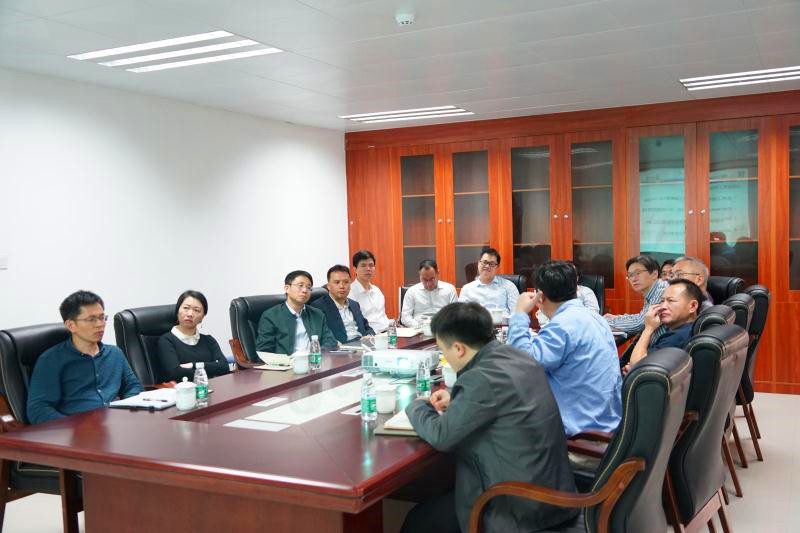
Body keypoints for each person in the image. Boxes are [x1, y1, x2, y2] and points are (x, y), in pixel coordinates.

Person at [402, 302, 578, 533]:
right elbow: (504, 399)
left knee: (419, 521)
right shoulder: (517, 356)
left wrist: (417, 406)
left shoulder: (480, 379)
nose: (445, 357)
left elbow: (442, 435)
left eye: (443, 351)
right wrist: (458, 399)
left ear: (459, 349)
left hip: (517, 509)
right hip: (553, 494)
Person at [508, 261, 622, 436]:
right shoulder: (596, 318)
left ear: (540, 296)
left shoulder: (562, 325)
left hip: (579, 433)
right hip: (606, 422)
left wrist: (520, 314)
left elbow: (523, 364)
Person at [27, 290, 143, 424]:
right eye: (91, 319)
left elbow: (133, 387)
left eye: (102, 317)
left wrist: (125, 411)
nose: (100, 324)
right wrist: (74, 428)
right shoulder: (51, 360)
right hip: (75, 430)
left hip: (115, 424)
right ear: (71, 325)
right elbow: (38, 410)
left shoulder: (115, 354)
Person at [255, 270, 337, 354]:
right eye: (300, 286)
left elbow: (330, 341)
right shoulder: (271, 316)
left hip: (315, 359)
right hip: (286, 361)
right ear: (287, 288)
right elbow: (264, 351)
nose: (305, 290)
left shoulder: (318, 314)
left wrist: (315, 354)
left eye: (308, 287)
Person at [157, 290, 231, 382]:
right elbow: (175, 373)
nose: (190, 314)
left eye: (196, 310)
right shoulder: (166, 341)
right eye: (186, 308)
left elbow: (224, 367)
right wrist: (210, 369)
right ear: (177, 311)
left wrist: (193, 365)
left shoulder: (209, 340)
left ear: (202, 317)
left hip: (212, 388)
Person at [628, 279, 703, 368]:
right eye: (662, 301)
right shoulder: (689, 328)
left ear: (693, 306)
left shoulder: (677, 337)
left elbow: (637, 365)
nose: (663, 306)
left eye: (671, 300)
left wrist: (648, 328)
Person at [604, 254, 668, 342]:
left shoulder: (663, 290)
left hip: (666, 347)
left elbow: (640, 323)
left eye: (638, 273)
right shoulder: (653, 290)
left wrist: (600, 322)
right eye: (630, 275)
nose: (633, 279)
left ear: (654, 274)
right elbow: (643, 317)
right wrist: (617, 318)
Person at [310, 265, 374, 343]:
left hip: (363, 343)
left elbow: (366, 327)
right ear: (328, 286)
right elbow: (321, 335)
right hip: (342, 346)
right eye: (337, 282)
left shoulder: (354, 304)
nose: (342, 286)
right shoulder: (318, 307)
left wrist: (369, 336)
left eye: (346, 282)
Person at [536, 261, 599, 328]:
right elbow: (543, 319)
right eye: (564, 275)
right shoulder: (553, 291)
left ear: (577, 278)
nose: (566, 278)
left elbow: (593, 315)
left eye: (570, 275)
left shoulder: (585, 292)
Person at [458, 248, 519, 316]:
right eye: (484, 262)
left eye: (491, 264)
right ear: (478, 263)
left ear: (497, 267)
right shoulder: (467, 289)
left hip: (501, 322)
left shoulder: (509, 286)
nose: (487, 266)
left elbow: (516, 313)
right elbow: (461, 315)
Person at [400, 259, 457, 327]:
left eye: (432, 279)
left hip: (443, 328)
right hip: (418, 328)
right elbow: (405, 317)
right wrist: (419, 326)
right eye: (424, 280)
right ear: (420, 275)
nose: (428, 284)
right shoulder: (412, 291)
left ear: (437, 273)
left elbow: (455, 314)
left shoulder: (449, 289)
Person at [348, 250, 391, 332]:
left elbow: (382, 317)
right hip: (369, 335)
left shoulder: (377, 291)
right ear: (355, 269)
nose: (368, 269)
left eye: (371, 265)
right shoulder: (350, 293)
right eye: (363, 265)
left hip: (387, 331)